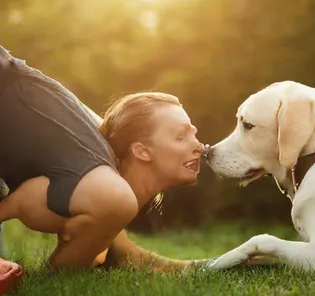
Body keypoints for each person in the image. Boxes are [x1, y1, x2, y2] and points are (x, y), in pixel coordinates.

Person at [0, 46, 205, 272]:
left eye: (194, 134)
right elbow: (24, 201)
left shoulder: (104, 156)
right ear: (142, 151)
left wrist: (215, 265)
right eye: (180, 137)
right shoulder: (109, 191)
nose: (200, 146)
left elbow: (124, 253)